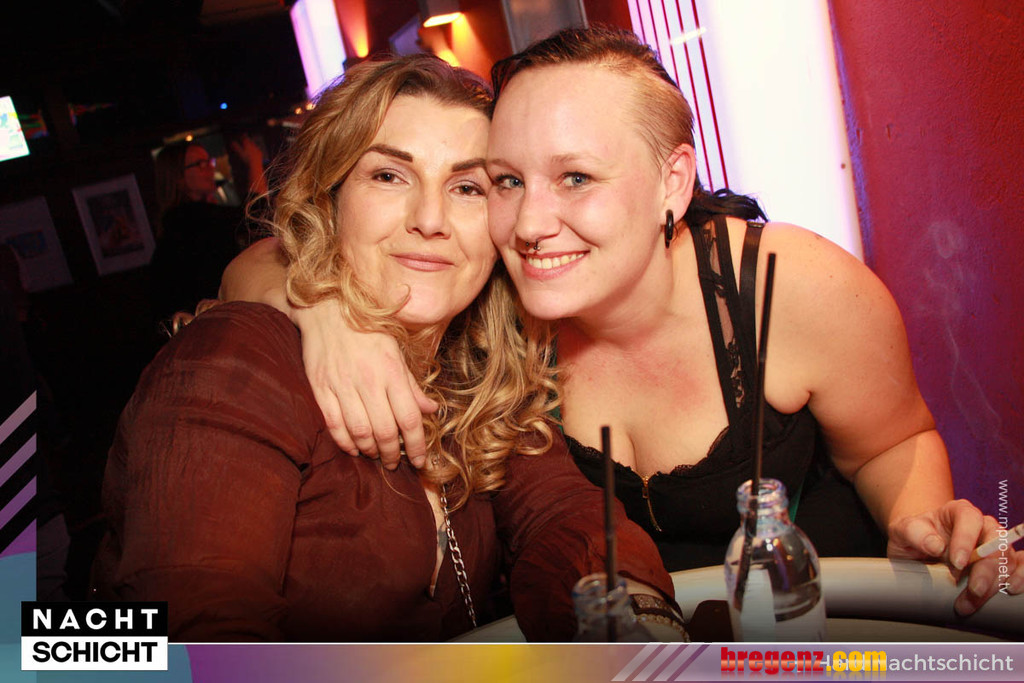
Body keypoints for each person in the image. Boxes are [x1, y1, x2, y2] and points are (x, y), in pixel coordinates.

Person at [220, 28, 1021, 617]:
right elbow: (255, 267)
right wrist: (330, 316)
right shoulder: (490, 299)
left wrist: (917, 523)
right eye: (505, 181)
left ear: (673, 180)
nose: (531, 224)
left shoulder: (788, 288)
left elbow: (893, 441)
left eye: (576, 177)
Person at [91, 53, 681, 642]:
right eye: (389, 176)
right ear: (329, 199)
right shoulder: (237, 363)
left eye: (468, 187)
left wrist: (636, 617)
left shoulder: (471, 373)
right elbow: (197, 636)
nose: (430, 219)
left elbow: (562, 515)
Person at [149, 135, 267, 324]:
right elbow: (255, 216)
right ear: (178, 177)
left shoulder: (187, 218)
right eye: (200, 164)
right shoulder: (186, 219)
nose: (210, 168)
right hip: (212, 321)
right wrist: (254, 162)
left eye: (208, 161)